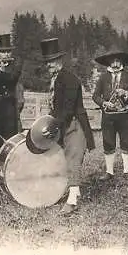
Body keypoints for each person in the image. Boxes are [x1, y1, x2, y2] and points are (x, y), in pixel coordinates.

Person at [40, 38, 95, 215]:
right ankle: (71, 191)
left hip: (74, 124)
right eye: (47, 62)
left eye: (52, 62)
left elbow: (68, 108)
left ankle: (72, 202)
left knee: (72, 159)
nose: (49, 65)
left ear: (60, 61)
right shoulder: (55, 79)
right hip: (63, 123)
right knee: (61, 159)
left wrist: (54, 124)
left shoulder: (70, 79)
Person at [92, 49, 128, 182]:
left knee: (126, 142)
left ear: (122, 62)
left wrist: (126, 94)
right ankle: (109, 172)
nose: (115, 63)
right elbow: (95, 96)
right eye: (113, 61)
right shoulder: (103, 77)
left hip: (125, 115)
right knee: (108, 142)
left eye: (118, 60)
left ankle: (127, 171)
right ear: (109, 62)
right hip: (108, 115)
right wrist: (104, 103)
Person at [0, 34, 21, 158]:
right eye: (3, 52)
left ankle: (11, 166)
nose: (6, 54)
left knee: (10, 140)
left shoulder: (15, 67)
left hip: (9, 109)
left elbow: (11, 79)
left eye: (8, 51)